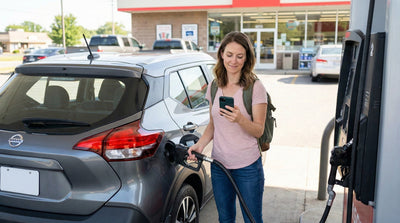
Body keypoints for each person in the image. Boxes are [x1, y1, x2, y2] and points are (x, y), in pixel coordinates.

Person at [187, 31, 268, 223]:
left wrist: (240, 119)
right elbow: (213, 126)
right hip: (219, 166)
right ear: (221, 54)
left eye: (240, 56)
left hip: (247, 166)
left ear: (247, 57)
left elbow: (259, 130)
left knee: (252, 219)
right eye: (229, 55)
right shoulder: (214, 86)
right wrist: (199, 145)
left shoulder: (255, 87)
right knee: (225, 218)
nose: (234, 61)